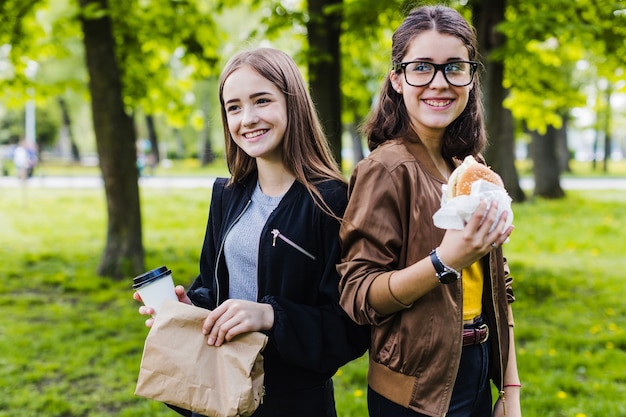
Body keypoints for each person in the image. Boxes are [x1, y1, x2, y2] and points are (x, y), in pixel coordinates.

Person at [134, 47, 369, 417]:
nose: (248, 118)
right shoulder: (227, 196)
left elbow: (350, 330)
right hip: (219, 391)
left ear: (294, 104)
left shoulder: (332, 202)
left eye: (262, 100)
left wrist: (270, 316)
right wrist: (191, 309)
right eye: (234, 107)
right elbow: (215, 290)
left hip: (293, 404)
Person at [337, 5, 522, 417]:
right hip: (414, 391)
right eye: (422, 67)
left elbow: (499, 288)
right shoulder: (385, 169)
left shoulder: (468, 170)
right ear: (397, 79)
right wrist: (446, 260)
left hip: (478, 366)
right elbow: (358, 295)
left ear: (471, 78)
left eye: (454, 67)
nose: (439, 83)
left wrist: (511, 389)